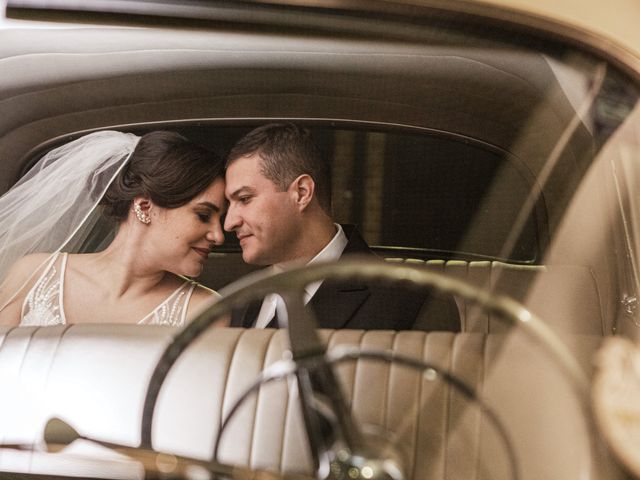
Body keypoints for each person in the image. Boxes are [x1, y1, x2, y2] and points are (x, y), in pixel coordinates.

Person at [224, 123, 460, 331]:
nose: (229, 223)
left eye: (244, 199)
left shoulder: (414, 302)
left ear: (302, 193)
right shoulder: (235, 301)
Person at [0, 130, 226, 327]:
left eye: (221, 220)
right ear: (145, 207)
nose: (219, 236)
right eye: (203, 215)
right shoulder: (34, 275)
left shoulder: (205, 311)